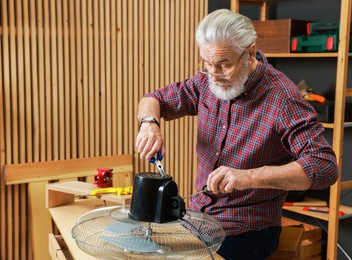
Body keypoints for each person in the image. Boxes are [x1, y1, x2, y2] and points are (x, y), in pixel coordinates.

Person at [136, 9, 338, 259]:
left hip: (248, 231)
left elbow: (324, 166)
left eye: (223, 64)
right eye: (207, 63)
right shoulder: (206, 81)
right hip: (198, 220)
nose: (214, 74)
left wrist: (249, 177)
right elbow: (154, 98)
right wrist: (149, 123)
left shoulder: (282, 98)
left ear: (250, 52)